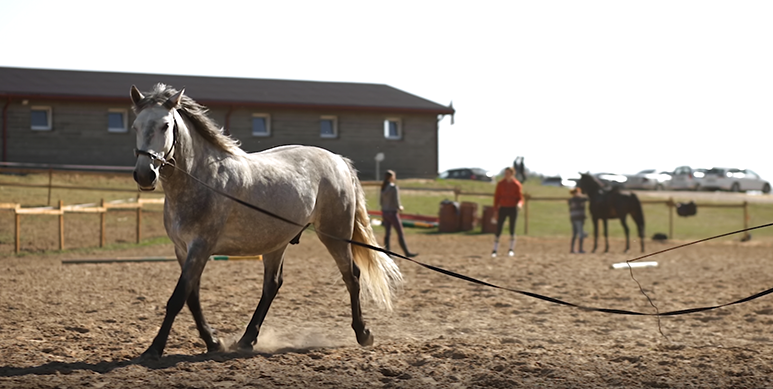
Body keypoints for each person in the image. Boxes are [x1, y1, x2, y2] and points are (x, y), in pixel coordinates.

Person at [380, 170, 418, 257]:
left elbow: (381, 202)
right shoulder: (393, 188)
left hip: (385, 212)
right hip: (392, 213)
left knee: (387, 233)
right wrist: (400, 207)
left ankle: (387, 252)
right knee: (400, 232)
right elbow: (396, 201)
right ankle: (407, 252)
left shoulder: (383, 187)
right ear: (391, 177)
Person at [491, 167, 523, 257]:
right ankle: (495, 249)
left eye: (508, 173)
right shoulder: (500, 184)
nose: (506, 175)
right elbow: (496, 197)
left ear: (512, 174)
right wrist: (495, 210)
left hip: (512, 208)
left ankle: (511, 249)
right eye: (505, 173)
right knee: (499, 228)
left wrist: (519, 204)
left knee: (512, 228)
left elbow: (520, 198)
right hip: (503, 207)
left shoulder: (516, 184)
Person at [568, 187, 588, 253]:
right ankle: (580, 249)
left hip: (573, 218)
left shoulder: (571, 200)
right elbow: (586, 198)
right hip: (578, 218)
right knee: (580, 234)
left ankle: (572, 249)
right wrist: (581, 195)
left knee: (574, 234)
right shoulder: (579, 199)